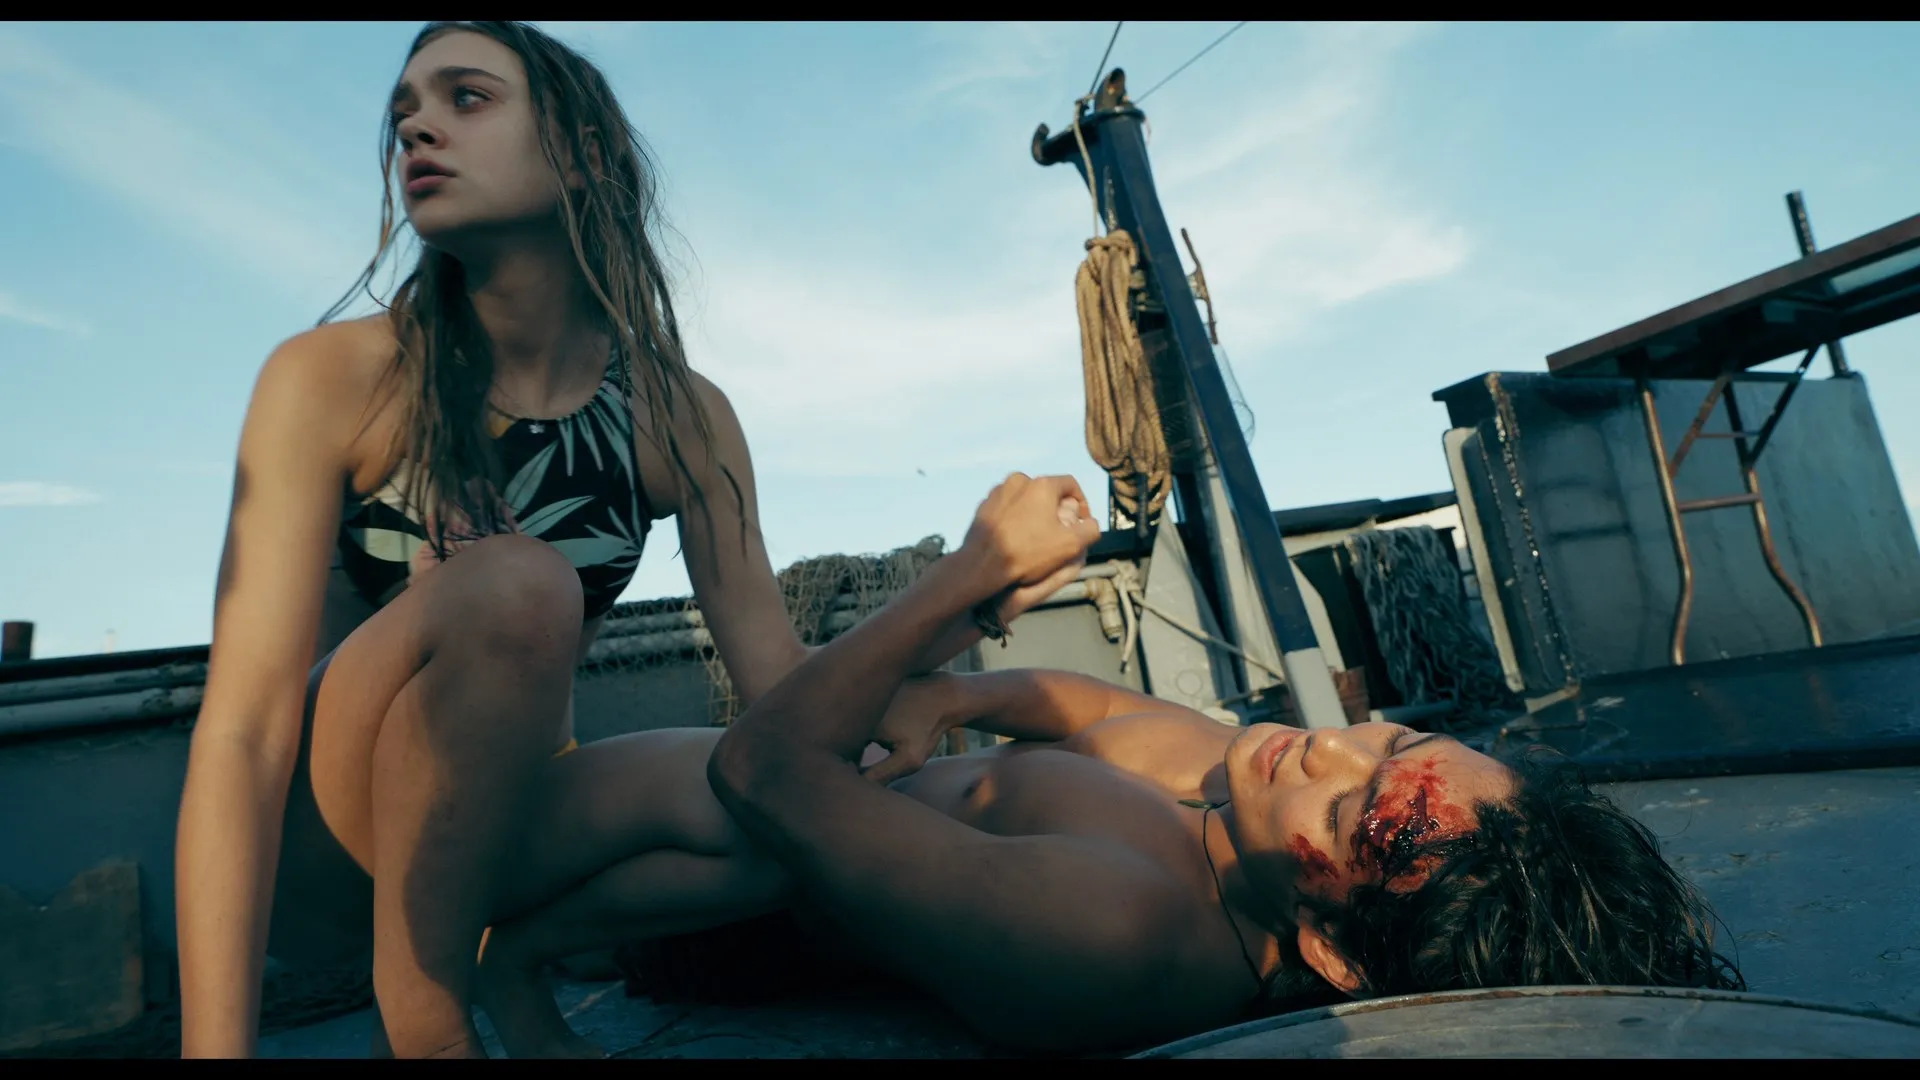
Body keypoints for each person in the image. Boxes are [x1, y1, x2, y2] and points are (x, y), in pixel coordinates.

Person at [171, 21, 1045, 1059]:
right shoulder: (332, 378)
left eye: (466, 98)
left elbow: (781, 693)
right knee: (517, 583)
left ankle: (513, 956)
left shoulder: (680, 414)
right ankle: (427, 1022)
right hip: (329, 849)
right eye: (405, 113)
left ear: (583, 153)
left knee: (805, 799)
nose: (416, 129)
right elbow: (243, 735)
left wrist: (966, 601)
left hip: (514, 825)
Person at [676, 471, 1748, 1054]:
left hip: (702, 886)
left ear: (1335, 957)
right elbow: (1106, 707)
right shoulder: (1243, 812)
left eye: (1348, 811)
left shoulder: (1119, 934)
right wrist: (958, 696)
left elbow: (759, 771)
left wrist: (968, 574)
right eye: (1393, 739)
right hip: (825, 780)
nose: (1331, 741)